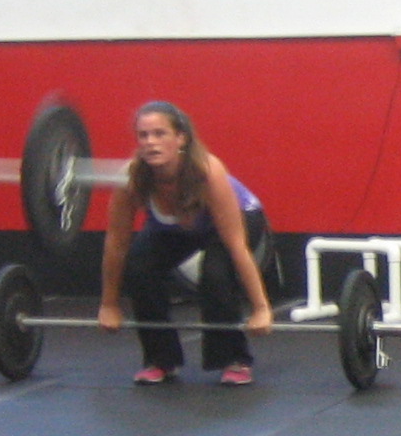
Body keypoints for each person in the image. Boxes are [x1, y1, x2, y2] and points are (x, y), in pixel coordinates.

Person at [97, 101, 274, 386]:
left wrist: (261, 308)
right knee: (140, 265)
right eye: (144, 135)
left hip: (236, 219)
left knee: (216, 275)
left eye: (159, 133)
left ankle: (234, 359)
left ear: (180, 138)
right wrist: (109, 304)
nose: (151, 142)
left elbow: (236, 244)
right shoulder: (132, 178)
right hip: (175, 227)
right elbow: (117, 243)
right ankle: (160, 359)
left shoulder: (206, 171)